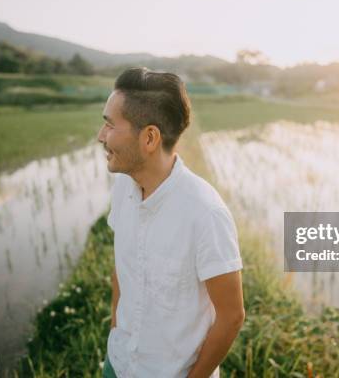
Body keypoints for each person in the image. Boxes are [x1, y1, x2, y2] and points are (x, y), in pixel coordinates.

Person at [97, 67, 245, 377]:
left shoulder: (205, 213)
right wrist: (115, 328)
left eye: (110, 125)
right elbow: (121, 266)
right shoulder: (124, 186)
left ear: (149, 138)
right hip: (119, 363)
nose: (101, 136)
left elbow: (231, 316)